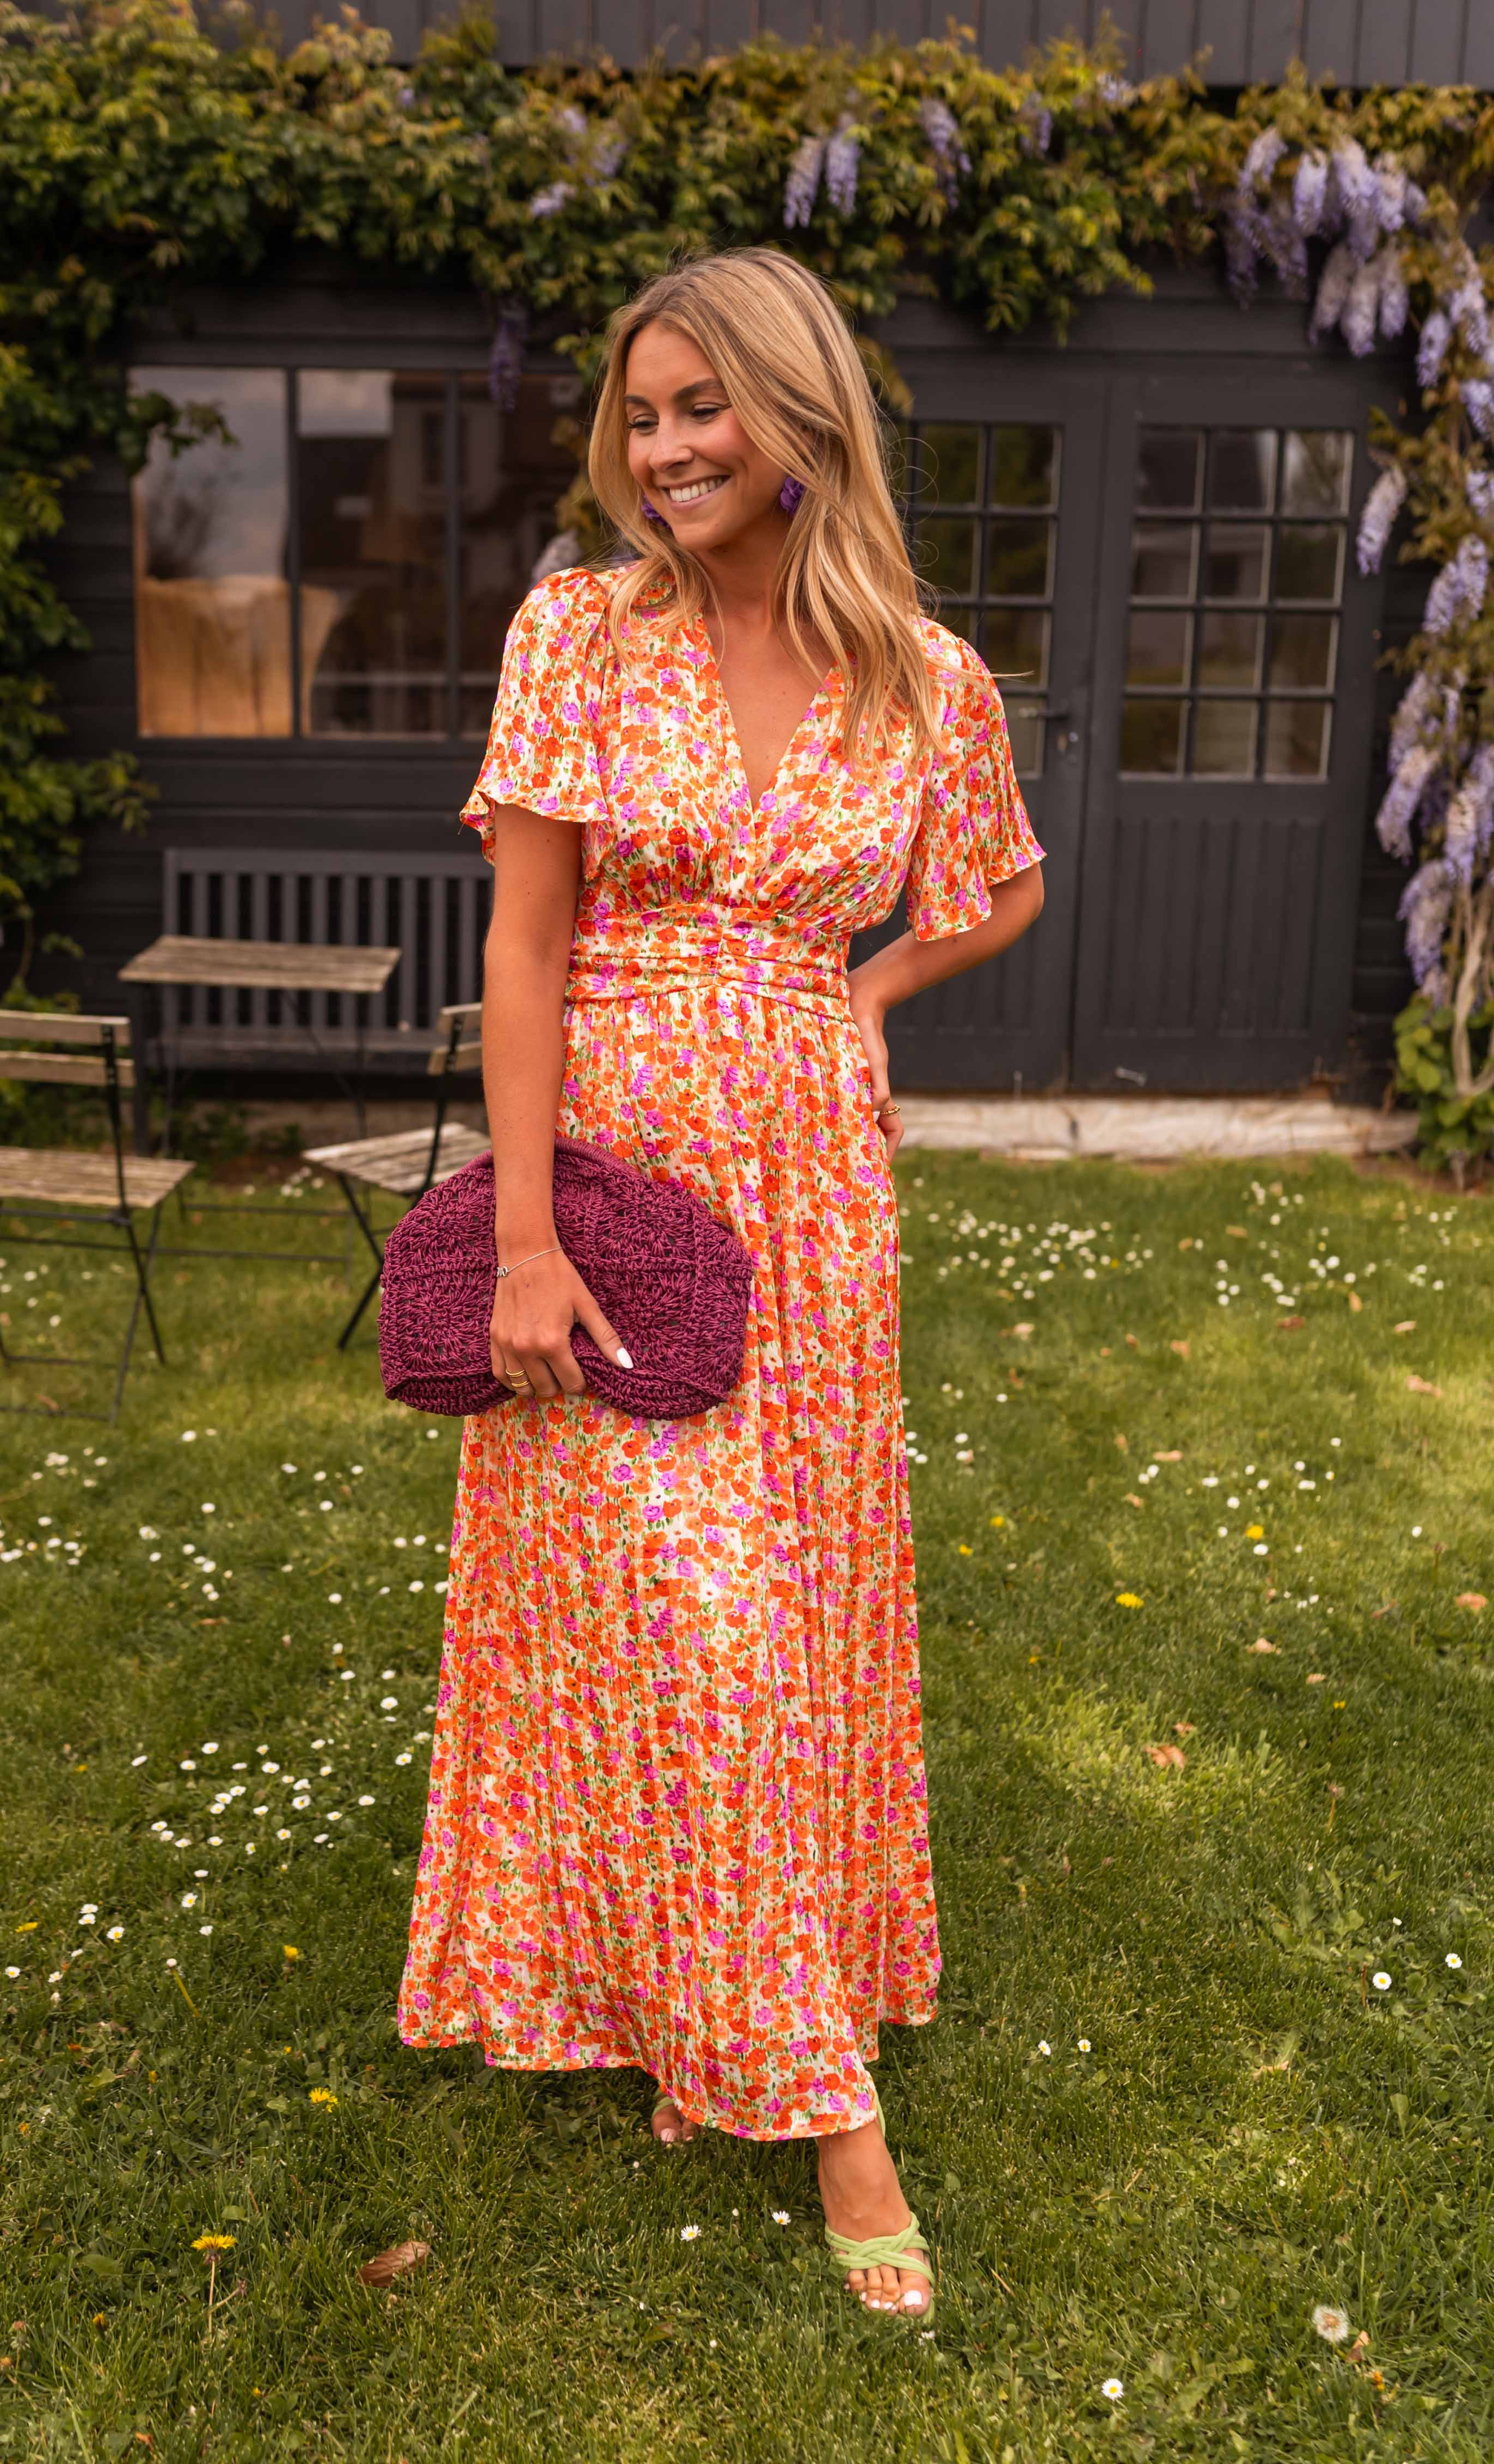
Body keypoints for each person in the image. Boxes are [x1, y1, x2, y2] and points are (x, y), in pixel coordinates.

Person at [397, 246, 1046, 2321]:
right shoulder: (580, 633)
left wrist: (869, 988)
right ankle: (832, 2107)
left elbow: (1005, 885)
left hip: (813, 1196)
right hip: (611, 1173)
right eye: (644, 412)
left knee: (782, 1602)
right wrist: (522, 1236)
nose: (666, 448)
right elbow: (522, 946)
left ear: (801, 417)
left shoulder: (926, 680)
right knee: (679, 1613)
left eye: (705, 407)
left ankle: (715, 2000)